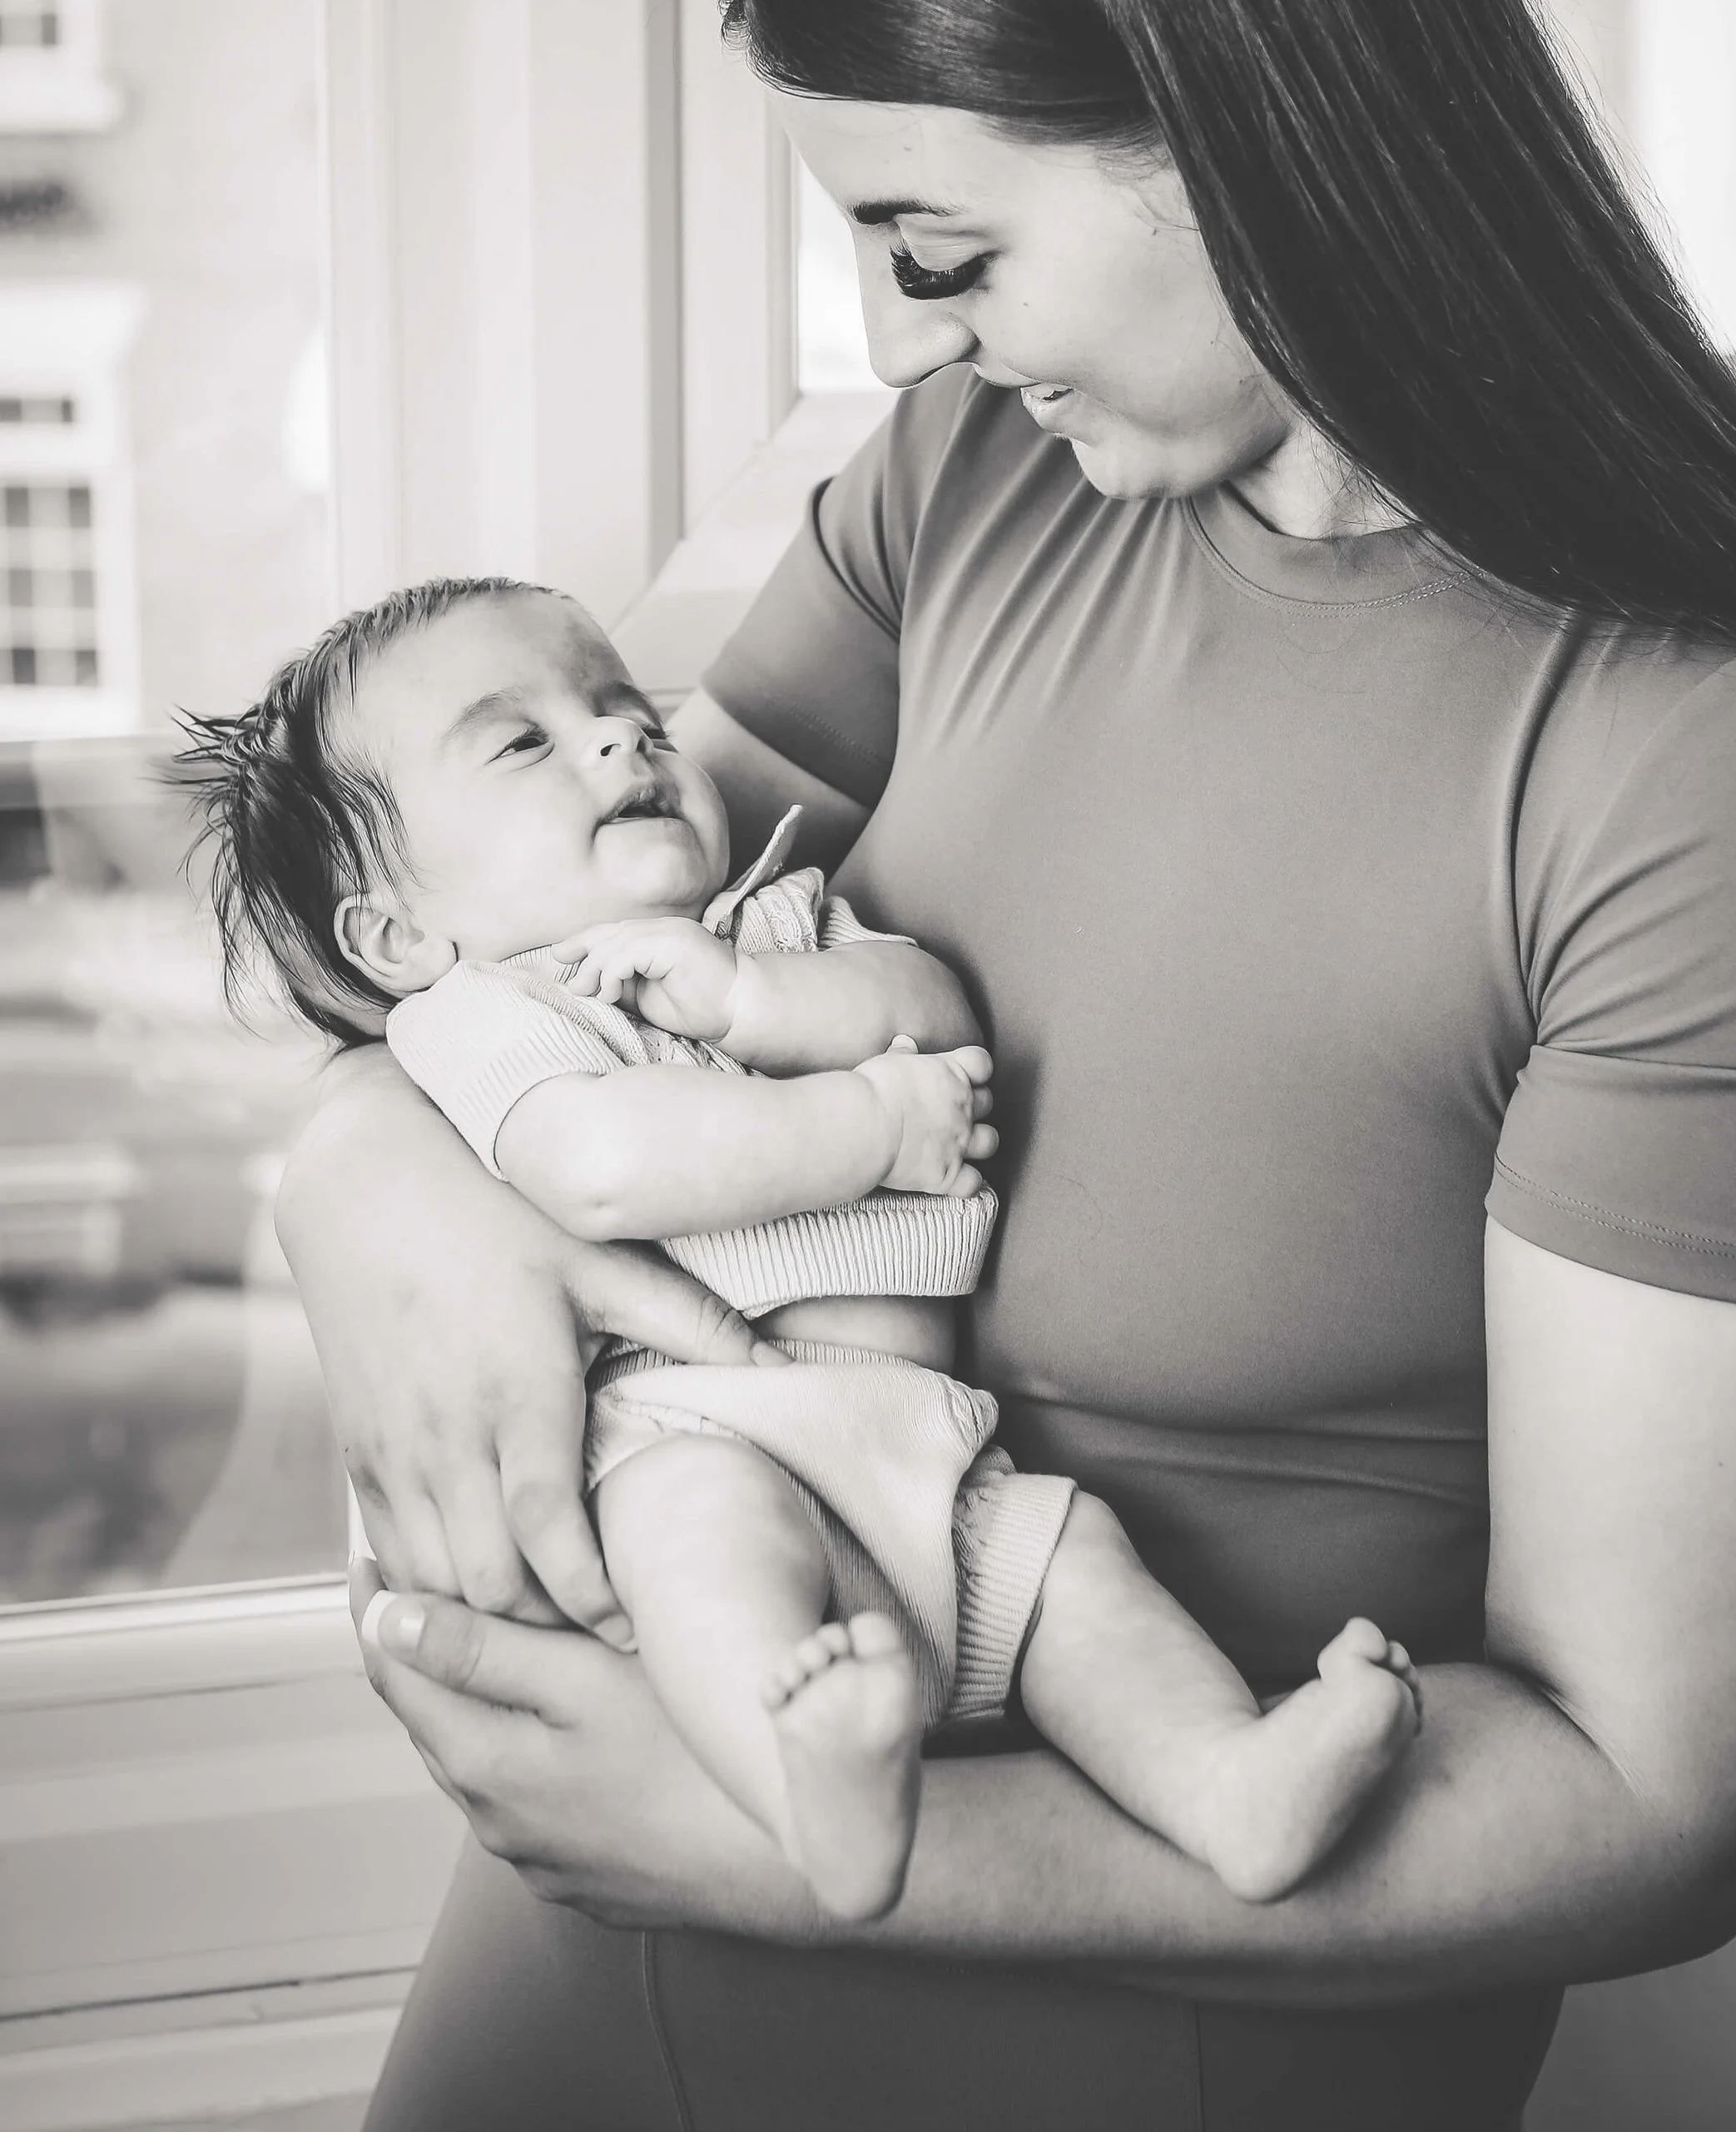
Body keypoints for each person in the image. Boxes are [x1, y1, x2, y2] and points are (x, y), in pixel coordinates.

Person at [277, 0, 1736, 2132]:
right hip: (554, 1992)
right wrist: (361, 1163)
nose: (889, 340)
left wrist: (794, 1851)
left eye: (938, 246)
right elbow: (532, 913)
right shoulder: (961, 493)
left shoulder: (1703, 790)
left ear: (1238, 119)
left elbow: (1658, 1802)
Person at [181, 577, 1421, 1922]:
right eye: (523, 741)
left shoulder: (775, 922)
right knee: (708, 1543)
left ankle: (1224, 1784)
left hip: (935, 1455)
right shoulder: (486, 1013)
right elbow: (608, 1167)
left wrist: (763, 998)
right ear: (399, 933)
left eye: (623, 708)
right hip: (693, 1429)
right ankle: (815, 1799)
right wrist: (864, 1120)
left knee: (1082, 1572)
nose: (619, 740)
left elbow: (935, 1002)